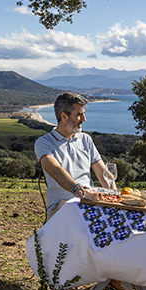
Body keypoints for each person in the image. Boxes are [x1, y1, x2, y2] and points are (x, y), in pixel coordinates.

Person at [34, 91, 113, 220]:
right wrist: (77, 189)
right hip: (61, 207)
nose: (84, 119)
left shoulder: (85, 139)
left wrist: (115, 197)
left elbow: (104, 173)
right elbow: (55, 170)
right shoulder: (44, 143)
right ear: (64, 116)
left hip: (89, 204)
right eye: (79, 115)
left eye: (84, 114)